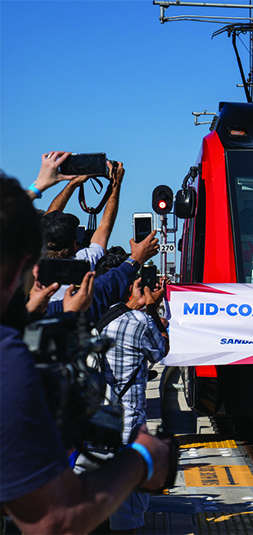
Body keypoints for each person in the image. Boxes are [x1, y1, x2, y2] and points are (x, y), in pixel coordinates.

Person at [0, 175, 171, 534]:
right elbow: (54, 520)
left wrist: (41, 186)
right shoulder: (10, 357)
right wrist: (143, 458)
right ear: (26, 266)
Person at [77, 254, 169, 534]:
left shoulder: (96, 315)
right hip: (126, 429)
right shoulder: (138, 323)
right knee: (127, 510)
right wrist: (152, 309)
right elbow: (161, 350)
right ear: (134, 285)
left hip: (92, 426)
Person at [43, 158, 125, 271]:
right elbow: (105, 226)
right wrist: (116, 183)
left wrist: (72, 184)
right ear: (74, 242)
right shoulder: (84, 261)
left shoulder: (33, 261)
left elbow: (49, 219)